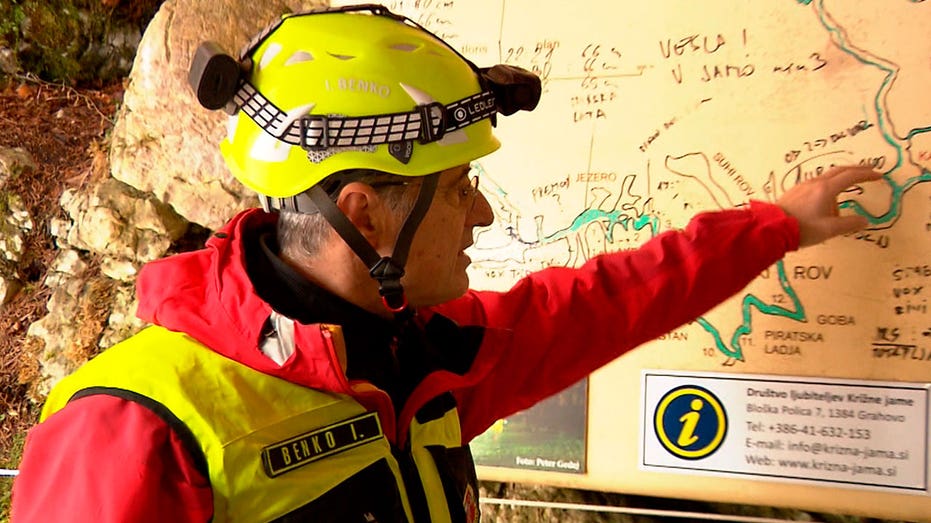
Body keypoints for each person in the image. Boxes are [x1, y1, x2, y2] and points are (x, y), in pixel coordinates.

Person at [11, 5, 882, 522]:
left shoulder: (421, 356)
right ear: (364, 215)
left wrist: (771, 226)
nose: (484, 212)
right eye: (460, 185)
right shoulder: (135, 428)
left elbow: (606, 301)